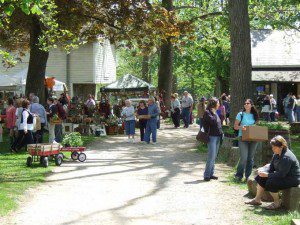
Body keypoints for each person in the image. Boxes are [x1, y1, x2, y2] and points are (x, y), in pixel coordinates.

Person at [245, 136, 300, 210]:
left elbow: (282, 174)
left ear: (281, 147)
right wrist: (263, 170)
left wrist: (267, 175)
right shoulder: (276, 154)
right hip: (283, 176)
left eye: (274, 147)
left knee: (271, 182)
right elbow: (271, 167)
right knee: (261, 177)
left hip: (291, 179)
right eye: (272, 147)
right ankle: (257, 200)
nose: (272, 149)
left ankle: (277, 203)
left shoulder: (286, 157)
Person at [234, 99, 259, 181]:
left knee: (250, 158)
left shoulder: (255, 115)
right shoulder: (240, 114)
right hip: (242, 137)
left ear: (251, 105)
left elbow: (257, 125)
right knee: (244, 157)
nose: (246, 104)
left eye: (247, 103)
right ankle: (238, 175)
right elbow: (235, 126)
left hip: (253, 138)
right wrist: (242, 127)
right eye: (245, 103)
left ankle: (248, 177)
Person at [203, 97, 223, 181]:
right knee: (211, 156)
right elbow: (212, 121)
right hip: (212, 137)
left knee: (214, 156)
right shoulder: (208, 112)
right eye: (218, 103)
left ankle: (211, 173)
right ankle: (207, 175)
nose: (219, 104)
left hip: (218, 136)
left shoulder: (215, 112)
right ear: (213, 104)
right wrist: (214, 114)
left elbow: (218, 124)